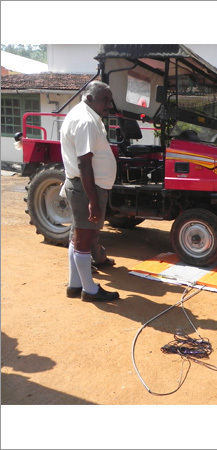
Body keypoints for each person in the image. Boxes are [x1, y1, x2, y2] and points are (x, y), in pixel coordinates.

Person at [61, 81, 120, 302]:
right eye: (105, 99)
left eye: (110, 100)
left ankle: (75, 285)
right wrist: (93, 202)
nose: (109, 104)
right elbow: (84, 163)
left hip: (83, 186)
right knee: (85, 238)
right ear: (89, 98)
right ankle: (90, 290)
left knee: (78, 237)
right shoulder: (86, 121)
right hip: (87, 188)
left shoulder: (86, 115)